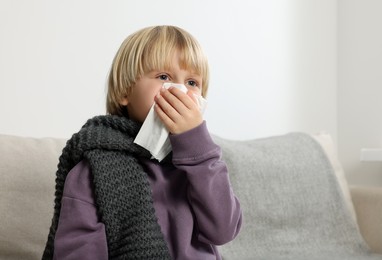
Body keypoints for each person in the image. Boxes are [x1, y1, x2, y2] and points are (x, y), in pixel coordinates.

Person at [42, 25, 242, 260]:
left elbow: (223, 230)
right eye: (164, 77)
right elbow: (79, 251)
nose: (179, 91)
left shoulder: (203, 163)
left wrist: (198, 149)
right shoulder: (94, 167)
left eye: (192, 83)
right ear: (125, 92)